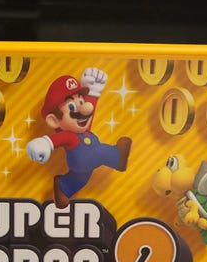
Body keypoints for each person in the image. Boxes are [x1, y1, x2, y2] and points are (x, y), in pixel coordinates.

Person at [26, 68, 132, 208]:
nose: (85, 108)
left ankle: (63, 187)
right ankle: (117, 157)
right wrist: (45, 143)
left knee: (80, 180)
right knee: (100, 152)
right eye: (71, 106)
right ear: (54, 120)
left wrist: (94, 92)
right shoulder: (69, 136)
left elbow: (90, 109)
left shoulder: (83, 128)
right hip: (83, 160)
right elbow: (57, 139)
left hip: (83, 166)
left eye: (81, 101)